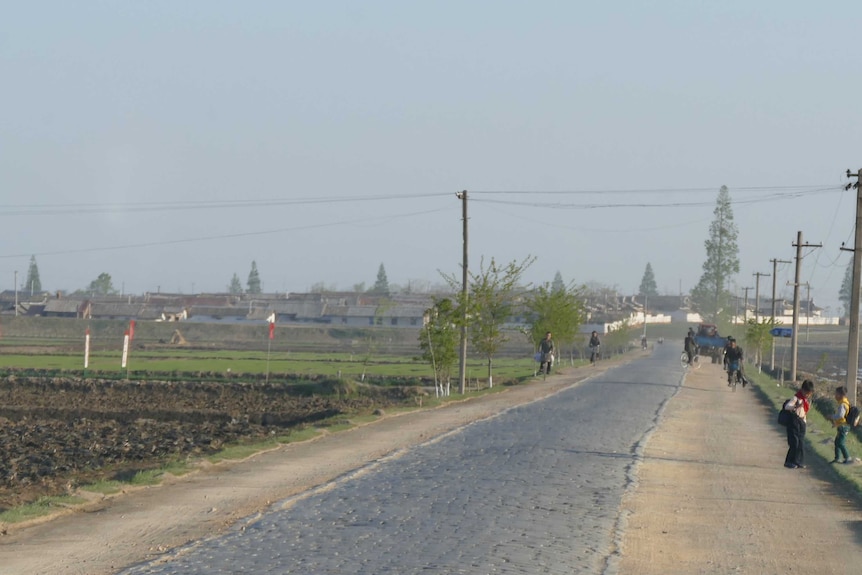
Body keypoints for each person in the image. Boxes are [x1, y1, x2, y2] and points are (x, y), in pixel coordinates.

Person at [783, 379, 814, 469]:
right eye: (806, 392)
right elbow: (787, 407)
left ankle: (798, 461)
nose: (808, 395)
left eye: (809, 393)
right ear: (802, 390)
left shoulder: (806, 401)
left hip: (802, 422)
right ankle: (789, 461)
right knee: (794, 442)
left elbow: (804, 412)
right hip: (794, 422)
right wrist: (796, 406)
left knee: (800, 443)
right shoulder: (796, 398)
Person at [828, 386, 853, 464]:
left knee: (841, 442)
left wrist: (831, 416)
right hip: (842, 425)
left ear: (840, 394)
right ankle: (837, 458)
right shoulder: (845, 402)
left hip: (843, 427)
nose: (835, 396)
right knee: (837, 442)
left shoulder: (843, 404)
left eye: (836, 394)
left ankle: (847, 457)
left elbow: (840, 416)